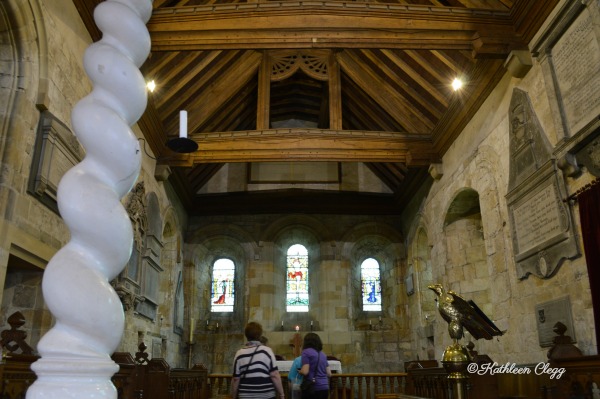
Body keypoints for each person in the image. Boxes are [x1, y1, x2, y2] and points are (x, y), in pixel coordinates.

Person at [231, 322, 285, 399]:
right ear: (259, 335)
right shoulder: (267, 351)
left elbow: (236, 379)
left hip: (246, 395)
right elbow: (274, 375)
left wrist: (234, 396)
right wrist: (281, 394)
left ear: (246, 335)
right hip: (266, 395)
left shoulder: (239, 354)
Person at [299, 333, 331, 399]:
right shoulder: (323, 354)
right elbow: (329, 373)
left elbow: (305, 371)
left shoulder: (306, 352)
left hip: (313, 388)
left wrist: (300, 371)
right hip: (325, 387)